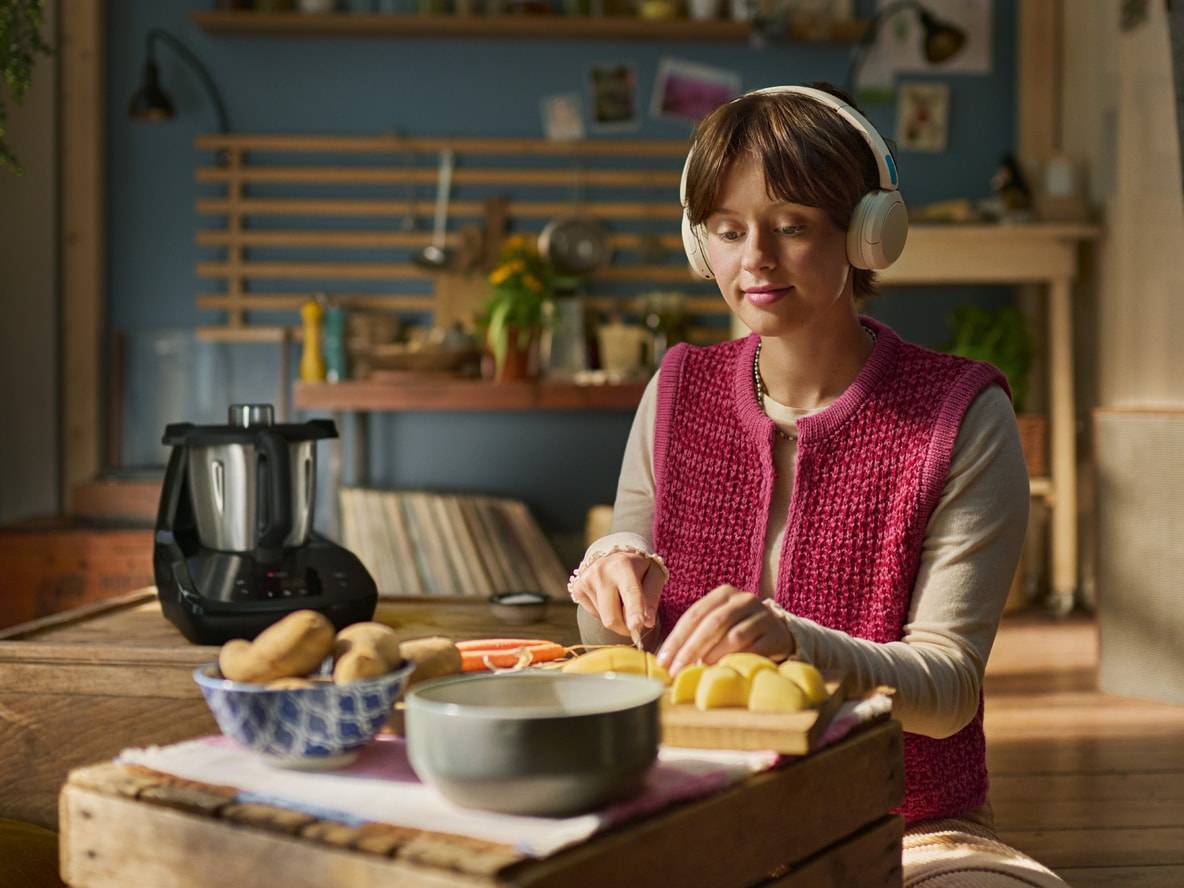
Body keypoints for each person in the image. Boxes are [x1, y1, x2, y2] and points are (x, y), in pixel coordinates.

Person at [567, 83, 1067, 885]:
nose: (755, 259)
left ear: (868, 233)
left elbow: (946, 691)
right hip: (688, 808)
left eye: (792, 226)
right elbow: (618, 646)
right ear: (700, 243)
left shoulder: (962, 415)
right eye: (728, 230)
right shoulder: (676, 391)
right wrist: (608, 580)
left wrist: (798, 644)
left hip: (904, 826)